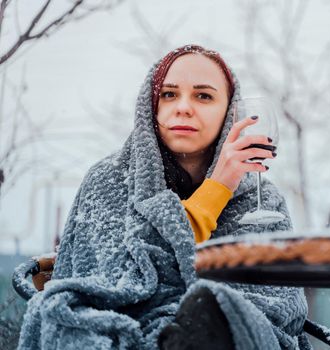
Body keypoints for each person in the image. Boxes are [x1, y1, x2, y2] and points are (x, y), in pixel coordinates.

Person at [17, 45, 313, 350]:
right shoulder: (109, 181)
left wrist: (213, 318)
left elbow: (281, 308)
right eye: (169, 94)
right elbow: (119, 286)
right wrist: (216, 190)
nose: (183, 107)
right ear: (151, 107)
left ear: (231, 113)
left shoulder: (262, 200)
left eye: (204, 96)